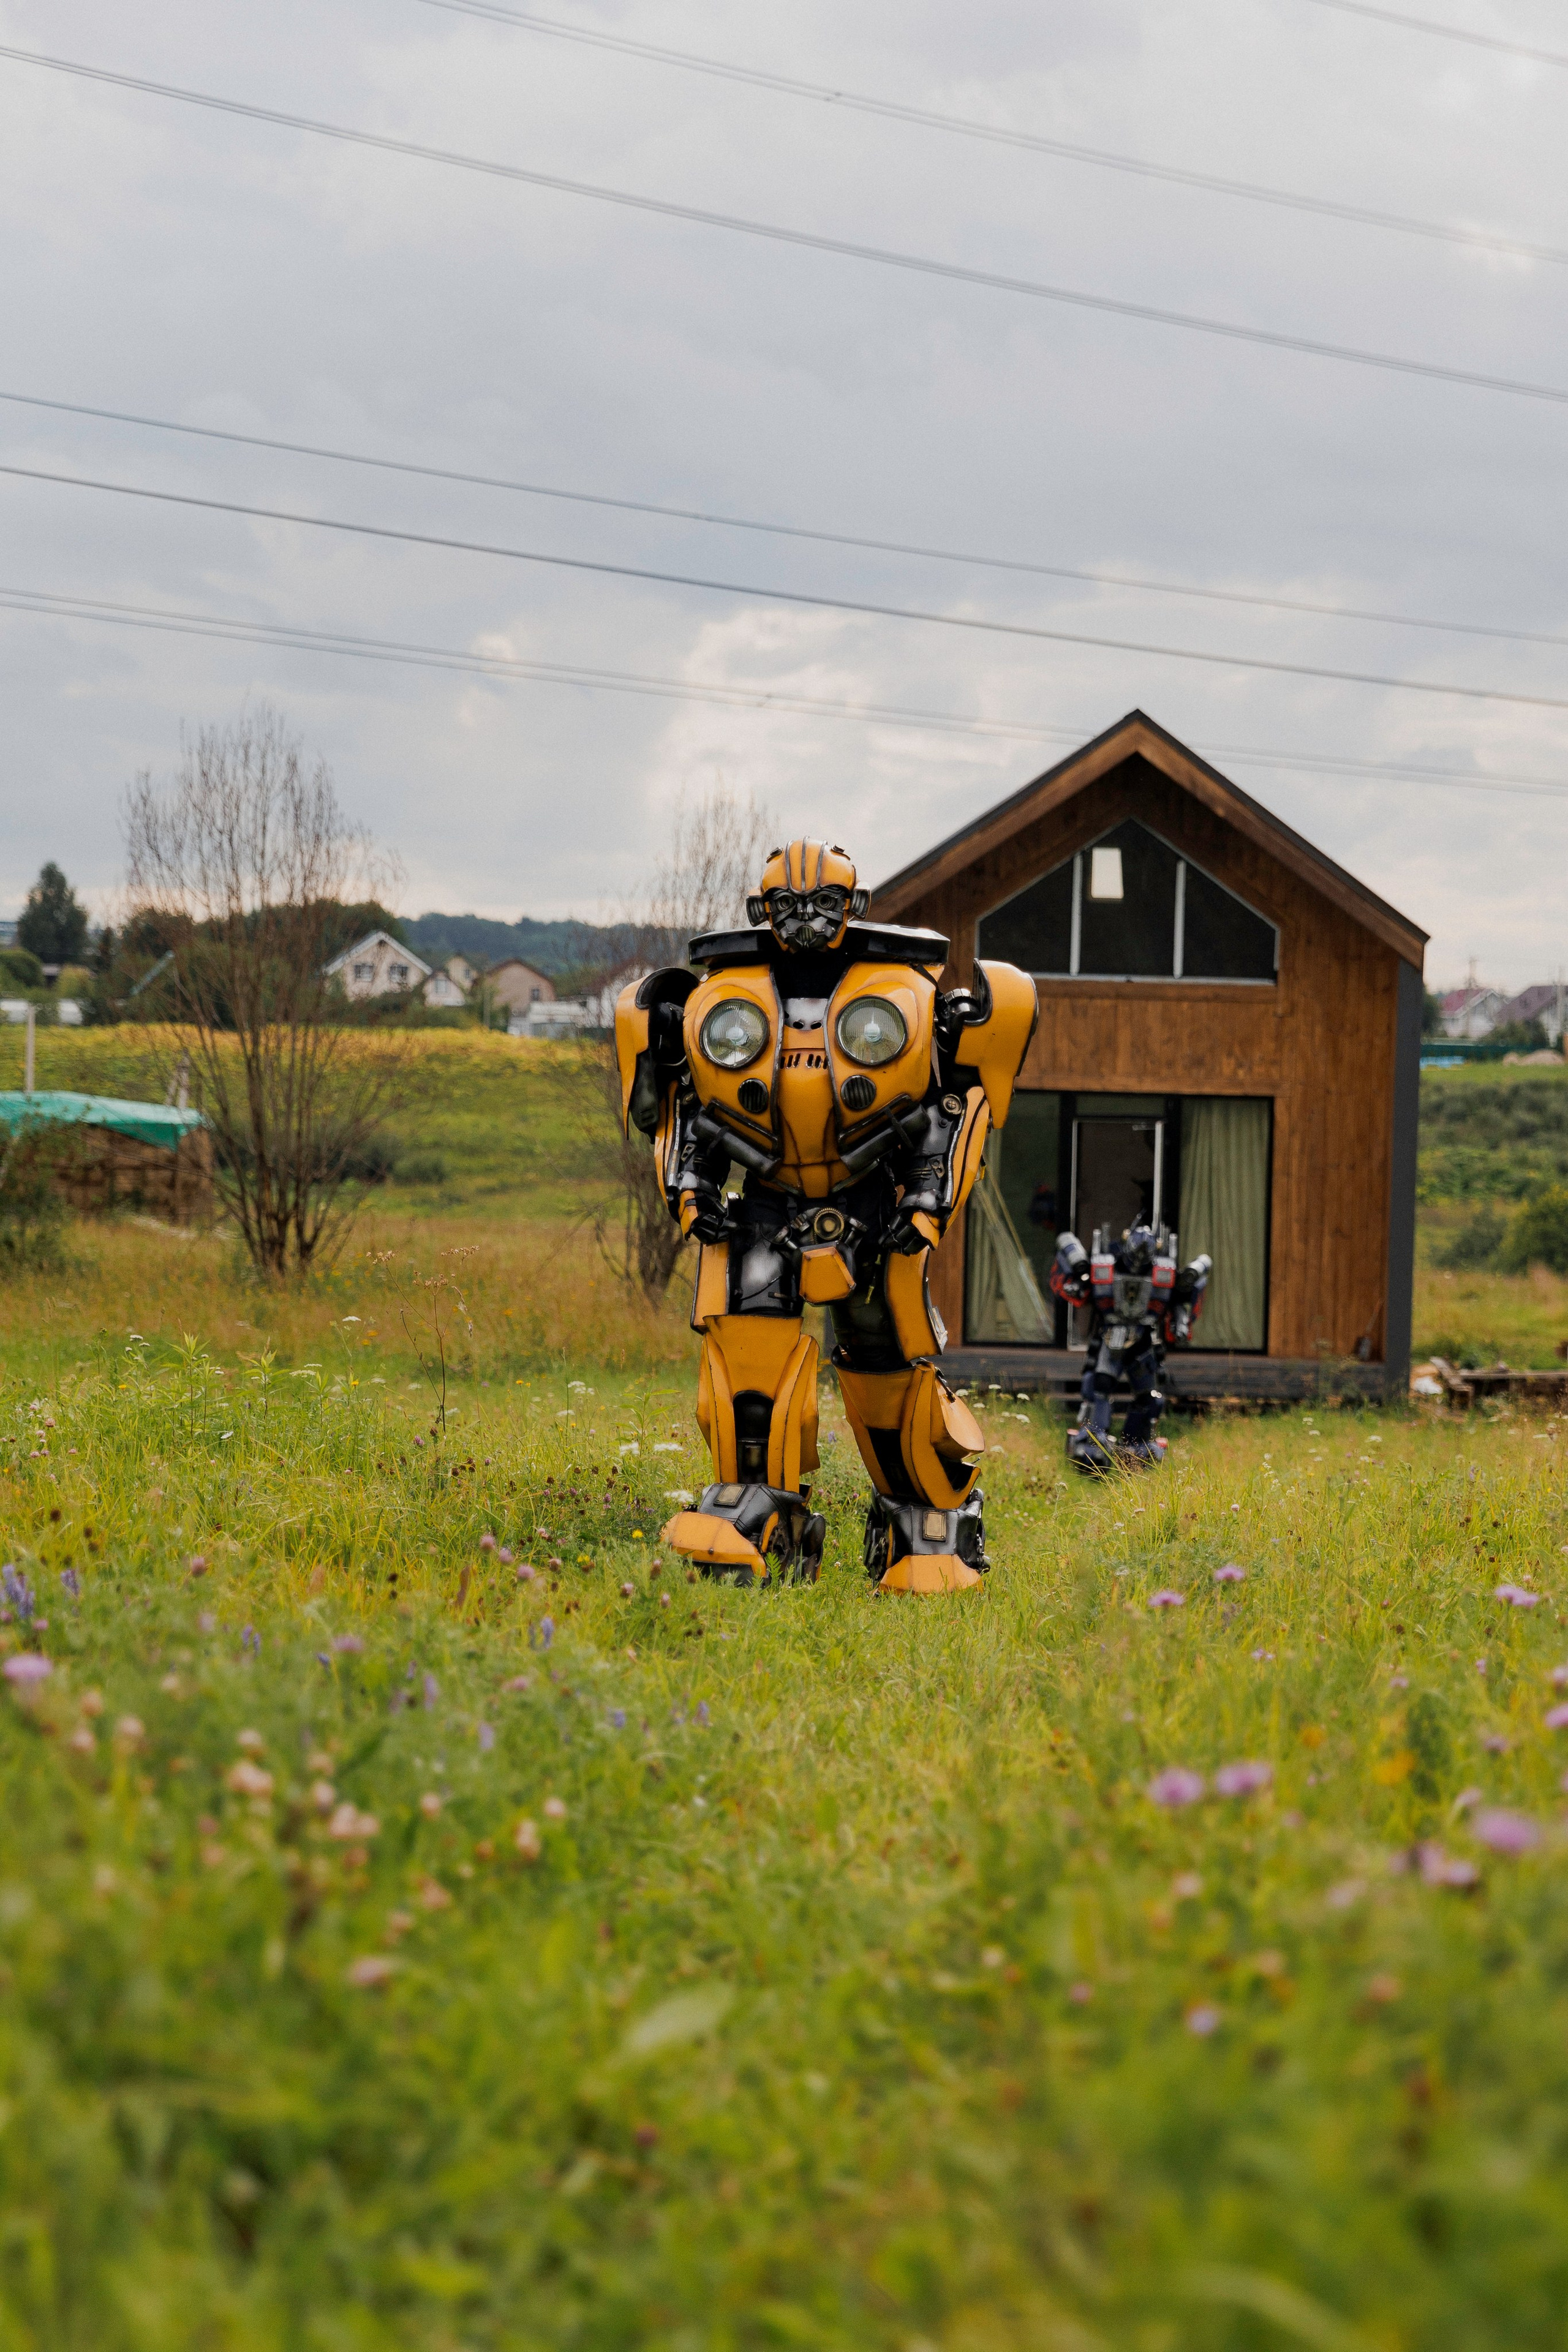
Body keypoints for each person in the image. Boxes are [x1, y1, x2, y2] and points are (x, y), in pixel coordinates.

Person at [615, 838, 1036, 1590]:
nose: (805, 922)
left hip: (871, 1198)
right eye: (788, 909)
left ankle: (924, 1515)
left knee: (885, 1362)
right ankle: (758, 1505)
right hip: (765, 1198)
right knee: (747, 1349)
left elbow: (950, 1107)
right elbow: (686, 1104)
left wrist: (924, 1202)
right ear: (760, 912)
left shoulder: (906, 992)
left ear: (855, 908)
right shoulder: (722, 999)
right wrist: (692, 1189)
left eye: (822, 907)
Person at [1049, 1222, 1211, 1472]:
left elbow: (1179, 1300)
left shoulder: (1163, 1273)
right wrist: (1079, 1284)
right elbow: (1082, 1283)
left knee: (1147, 1397)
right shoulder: (1107, 1265)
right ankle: (1093, 1441)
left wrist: (1180, 1323)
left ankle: (1137, 1446)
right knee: (1098, 1387)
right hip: (1110, 1334)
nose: (1137, 1263)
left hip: (1143, 1340)